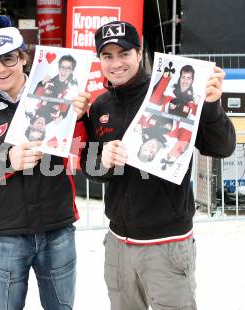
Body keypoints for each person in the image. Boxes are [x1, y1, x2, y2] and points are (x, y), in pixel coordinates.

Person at [80, 21, 236, 310]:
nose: (116, 63)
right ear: (99, 60)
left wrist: (212, 106)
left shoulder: (172, 94)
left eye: (124, 53)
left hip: (167, 243)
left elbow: (222, 147)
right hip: (118, 244)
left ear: (140, 54)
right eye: (107, 56)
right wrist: (102, 160)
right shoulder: (100, 106)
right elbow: (91, 170)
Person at [0, 15, 90, 310]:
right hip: (6, 233)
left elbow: (82, 152)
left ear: (24, 57)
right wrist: (6, 162)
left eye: (9, 59)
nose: (0, 69)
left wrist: (78, 118)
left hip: (57, 226)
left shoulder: (56, 96)